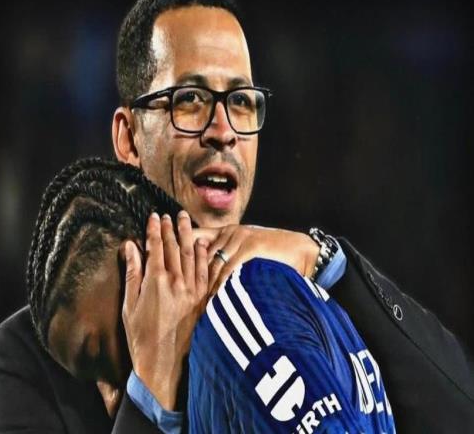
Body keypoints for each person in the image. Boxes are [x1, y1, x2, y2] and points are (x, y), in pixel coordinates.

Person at [0, 0, 474, 432]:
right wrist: (149, 393)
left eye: (241, 101)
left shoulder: (300, 286)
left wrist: (322, 259)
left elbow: (461, 410)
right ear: (129, 137)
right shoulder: (29, 350)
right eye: (190, 99)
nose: (223, 130)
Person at [24, 156, 396, 433]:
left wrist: (146, 406)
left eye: (102, 358)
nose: (111, 403)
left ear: (154, 267)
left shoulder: (238, 318)